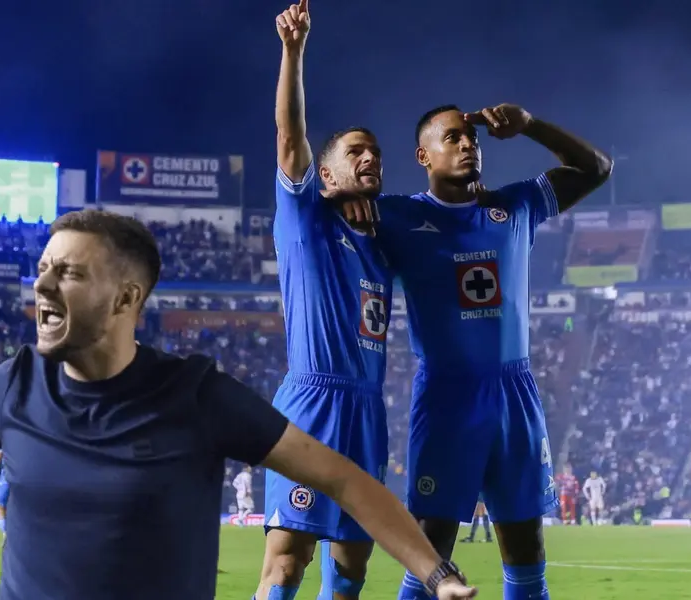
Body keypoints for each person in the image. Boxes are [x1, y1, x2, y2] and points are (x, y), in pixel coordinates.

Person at [0, 209, 476, 600]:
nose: (43, 287)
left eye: (68, 274)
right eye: (41, 270)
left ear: (127, 298)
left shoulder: (197, 394)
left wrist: (437, 576)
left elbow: (344, 479)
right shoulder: (14, 384)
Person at [374, 103, 611, 600]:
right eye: (453, 138)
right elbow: (319, 210)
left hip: (514, 392)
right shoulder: (398, 215)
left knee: (525, 545)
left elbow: (596, 168)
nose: (467, 145)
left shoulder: (515, 205)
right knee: (431, 545)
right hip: (447, 394)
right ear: (424, 155)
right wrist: (346, 195)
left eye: (471, 138)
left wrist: (530, 126)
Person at [257, 2, 393, 600]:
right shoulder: (305, 221)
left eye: (377, 154)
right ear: (328, 177)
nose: (370, 159)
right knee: (287, 564)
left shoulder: (386, 244)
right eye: (355, 152)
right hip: (312, 404)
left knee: (352, 569)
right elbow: (290, 139)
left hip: (367, 411)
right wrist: (293, 51)